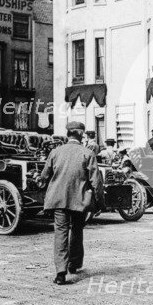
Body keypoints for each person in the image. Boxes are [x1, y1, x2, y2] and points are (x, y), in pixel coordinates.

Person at [41, 121, 104, 285]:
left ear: (68, 133)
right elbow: (96, 182)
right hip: (79, 200)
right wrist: (99, 203)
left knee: (60, 232)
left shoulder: (55, 152)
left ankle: (60, 273)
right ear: (81, 134)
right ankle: (74, 264)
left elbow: (44, 176)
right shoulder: (87, 153)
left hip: (58, 199)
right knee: (77, 229)